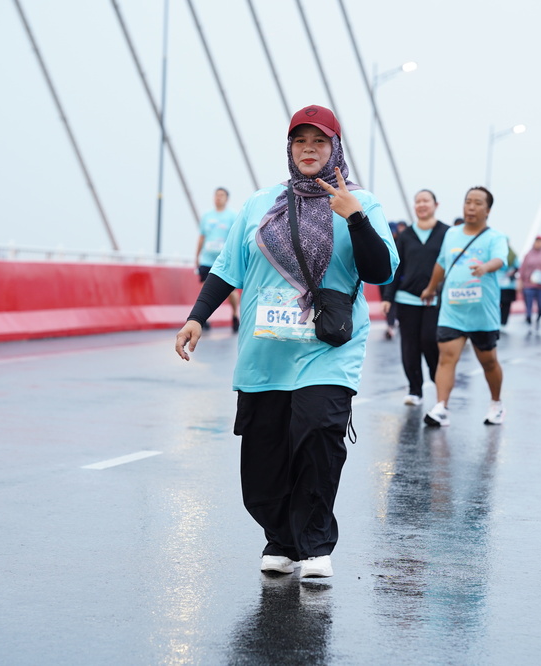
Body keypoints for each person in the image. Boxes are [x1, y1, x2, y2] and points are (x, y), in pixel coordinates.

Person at [174, 105, 398, 578]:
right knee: (264, 457)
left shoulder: (361, 202)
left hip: (327, 348)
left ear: (335, 148)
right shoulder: (260, 203)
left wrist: (355, 219)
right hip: (266, 352)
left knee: (318, 436)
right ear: (290, 148)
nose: (309, 149)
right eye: (300, 141)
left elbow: (381, 272)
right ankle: (280, 538)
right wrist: (197, 317)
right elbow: (227, 268)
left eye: (319, 141)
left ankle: (314, 545)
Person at [419, 186, 507, 427]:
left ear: (487, 210)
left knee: (488, 362)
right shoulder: (452, 234)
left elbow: (500, 260)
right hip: (452, 310)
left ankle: (496, 404)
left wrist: (485, 267)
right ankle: (441, 407)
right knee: (446, 359)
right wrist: (430, 288)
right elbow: (441, 263)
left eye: (478, 203)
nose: (471, 207)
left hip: (482, 313)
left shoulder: (495, 237)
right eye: (468, 202)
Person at [381, 190, 449, 405]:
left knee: (430, 341)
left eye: (425, 201)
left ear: (436, 205)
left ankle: (438, 384)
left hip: (435, 301)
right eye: (418, 201)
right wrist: (388, 297)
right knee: (409, 347)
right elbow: (396, 268)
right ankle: (414, 390)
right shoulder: (406, 235)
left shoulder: (447, 233)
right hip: (407, 299)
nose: (421, 204)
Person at [195, 187, 240, 331]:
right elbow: (202, 236)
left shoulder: (232, 216)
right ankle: (203, 318)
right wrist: (197, 256)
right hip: (207, 258)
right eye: (216, 195)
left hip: (225, 259)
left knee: (230, 291)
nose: (218, 198)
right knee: (204, 288)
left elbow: (236, 237)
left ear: (227, 199)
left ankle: (235, 315)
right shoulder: (207, 216)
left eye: (221, 195)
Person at [519, 235, 541, 330]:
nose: (538, 244)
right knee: (528, 303)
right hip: (528, 284)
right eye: (537, 241)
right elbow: (522, 269)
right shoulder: (528, 255)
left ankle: (539, 317)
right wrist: (520, 281)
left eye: (540, 242)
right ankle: (528, 317)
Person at [499, 241, 520, 326]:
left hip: (508, 285)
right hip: (498, 284)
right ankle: (499, 321)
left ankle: (503, 322)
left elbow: (518, 267)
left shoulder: (513, 255)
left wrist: (511, 273)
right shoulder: (496, 254)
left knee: (506, 304)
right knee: (498, 304)